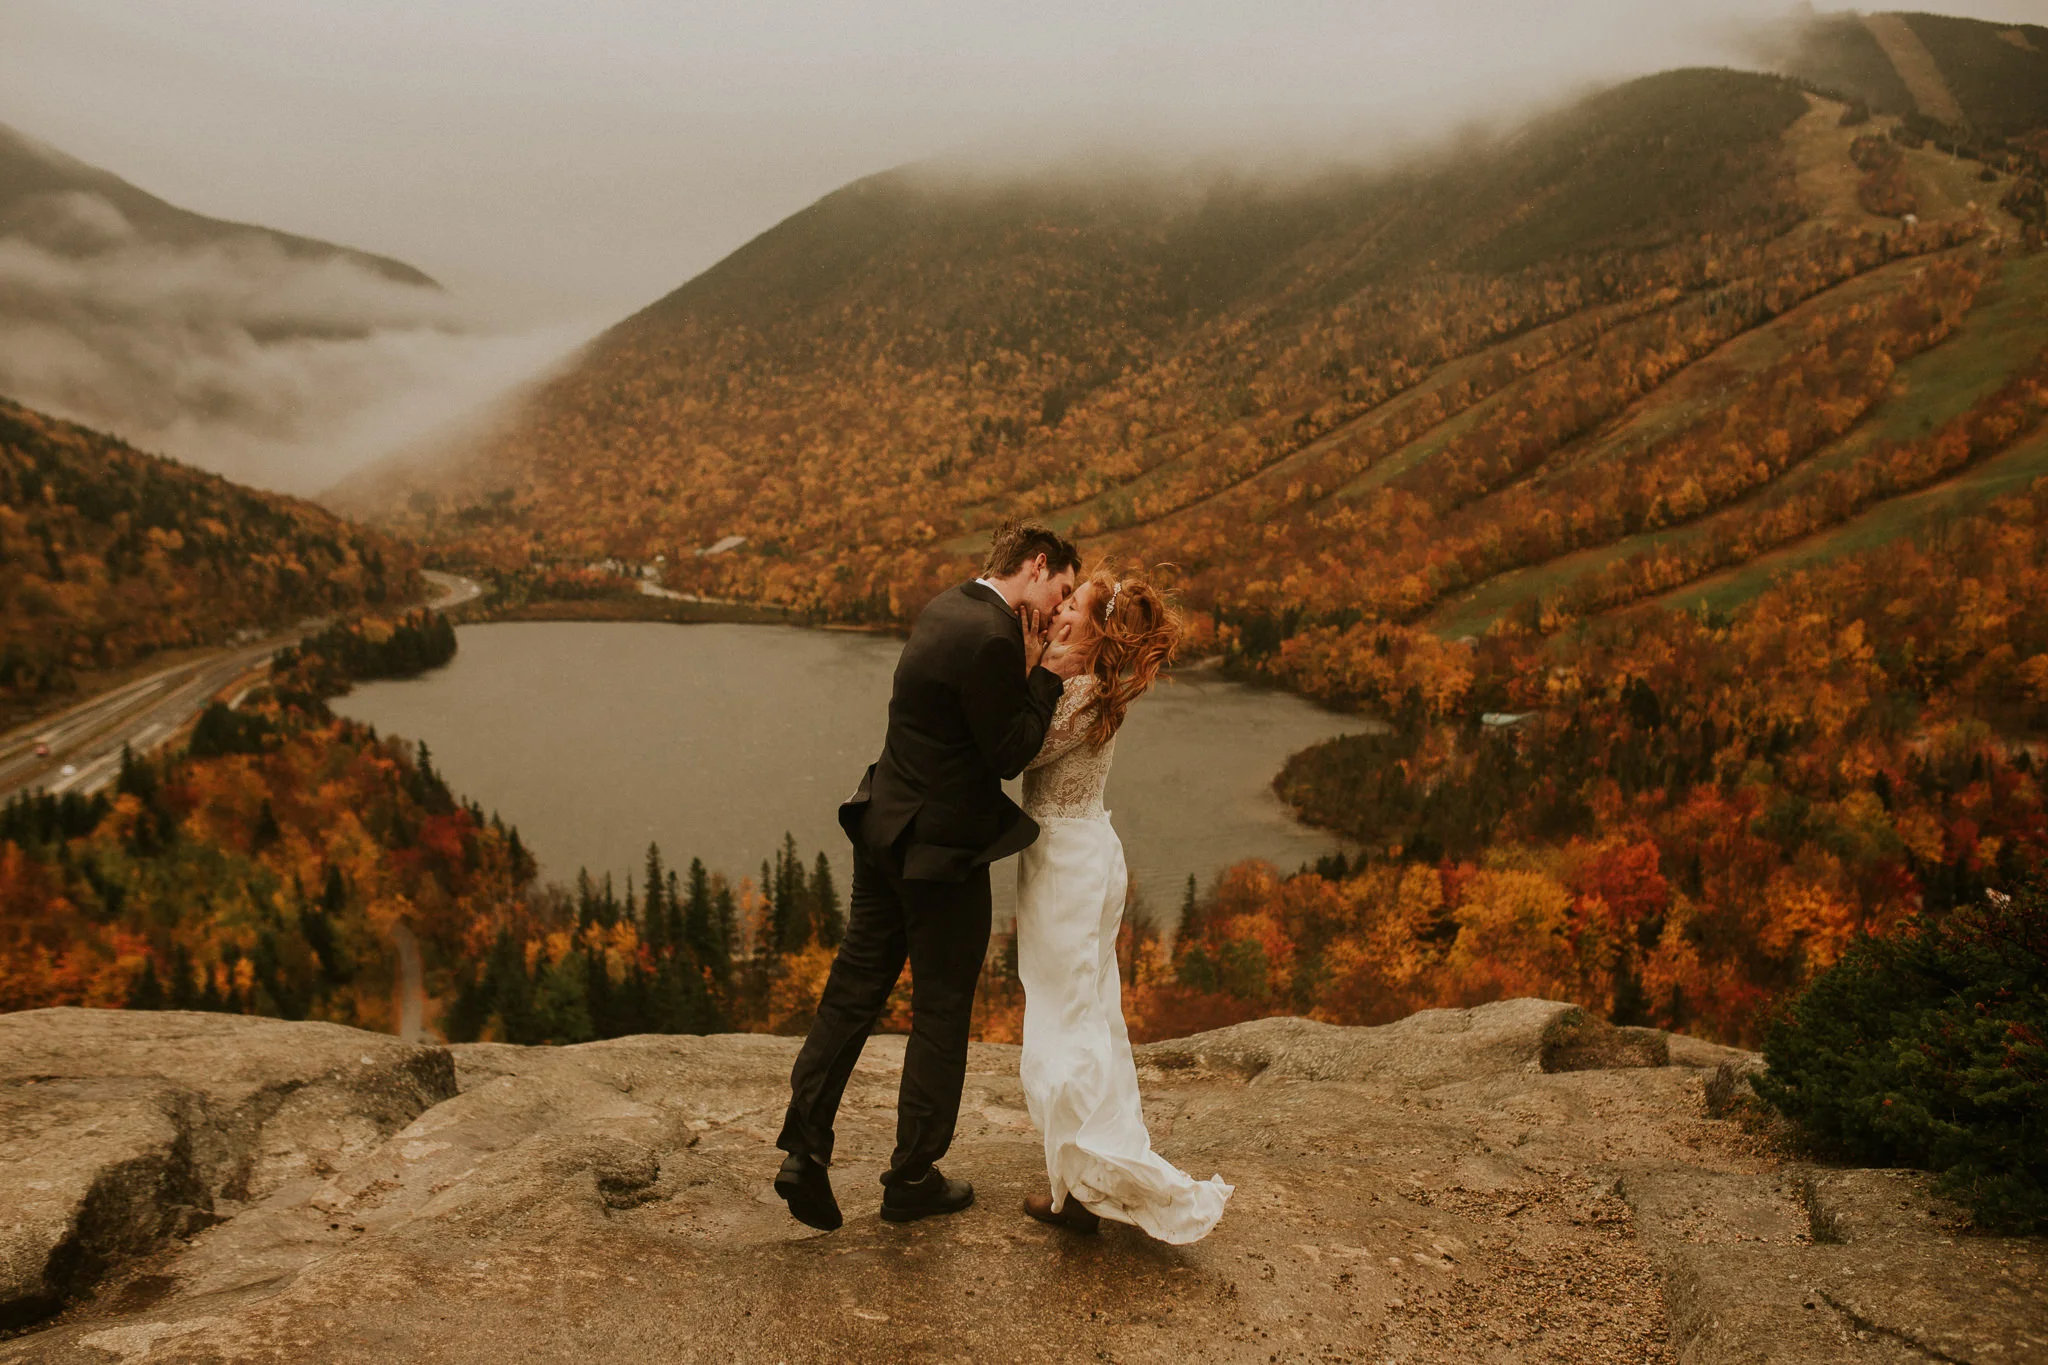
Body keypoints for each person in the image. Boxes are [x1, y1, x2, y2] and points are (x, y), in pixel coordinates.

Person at [773, 520, 1084, 1230]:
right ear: (1037, 566)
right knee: (941, 1012)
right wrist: (1049, 676)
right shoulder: (995, 636)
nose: (1057, 606)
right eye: (1060, 589)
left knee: (853, 993)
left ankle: (803, 1150)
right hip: (941, 856)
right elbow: (1009, 750)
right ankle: (911, 1175)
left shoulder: (946, 606)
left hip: (884, 826)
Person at [1014, 564, 1232, 1243]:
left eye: (1072, 606)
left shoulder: (1077, 689)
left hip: (1067, 867)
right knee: (1092, 1015)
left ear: (1094, 629)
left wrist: (1033, 660)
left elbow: (1019, 748)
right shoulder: (1096, 686)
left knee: (1064, 1021)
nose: (1059, 612)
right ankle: (1087, 1175)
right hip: (1084, 854)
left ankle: (1078, 1189)